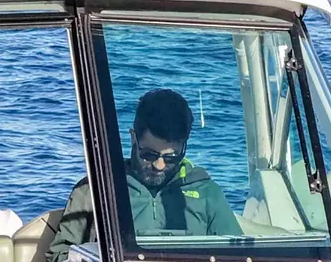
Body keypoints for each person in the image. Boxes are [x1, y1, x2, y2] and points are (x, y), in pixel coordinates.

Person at [96, 87, 240, 240]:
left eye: (171, 157)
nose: (159, 165)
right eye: (149, 154)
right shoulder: (98, 190)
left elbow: (239, 257)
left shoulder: (208, 194)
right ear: (133, 138)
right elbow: (67, 252)